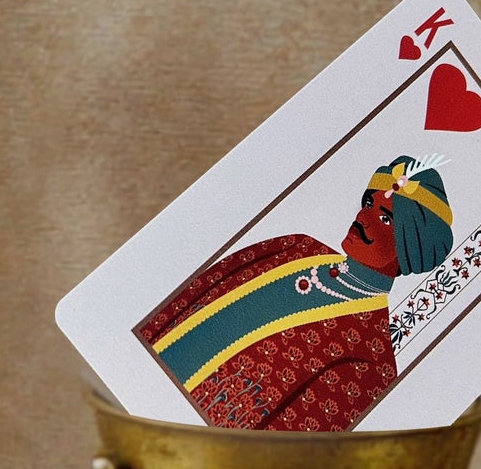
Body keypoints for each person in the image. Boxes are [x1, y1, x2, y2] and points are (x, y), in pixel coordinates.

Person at [135, 155, 453, 431]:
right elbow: (193, 293)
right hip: (133, 373)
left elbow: (275, 450)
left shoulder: (372, 364)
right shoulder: (298, 246)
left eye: (385, 218)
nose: (362, 218)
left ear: (411, 247)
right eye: (368, 203)